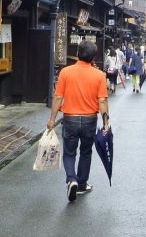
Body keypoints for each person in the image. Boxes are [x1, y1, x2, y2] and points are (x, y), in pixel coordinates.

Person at [47, 40, 110, 202]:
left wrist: (52, 119)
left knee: (69, 152)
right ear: (93, 57)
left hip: (70, 118)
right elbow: (102, 100)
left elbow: (58, 97)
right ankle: (82, 184)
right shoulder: (99, 75)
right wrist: (105, 122)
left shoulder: (66, 72)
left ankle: (71, 179)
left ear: (77, 54)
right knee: (86, 152)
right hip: (90, 118)